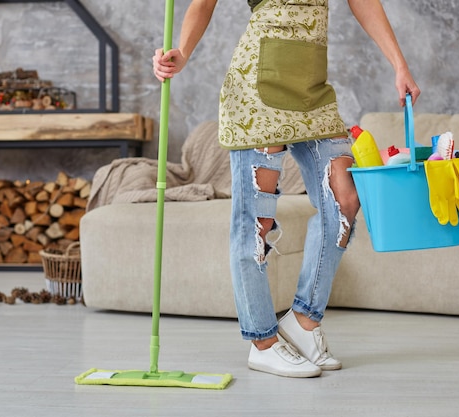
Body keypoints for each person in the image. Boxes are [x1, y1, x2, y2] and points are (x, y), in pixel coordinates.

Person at [153, 0, 420, 378]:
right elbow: (203, 3)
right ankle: (262, 341)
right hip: (257, 91)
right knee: (256, 223)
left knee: (345, 200)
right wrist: (182, 52)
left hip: (312, 93)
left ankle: (303, 322)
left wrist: (399, 64)